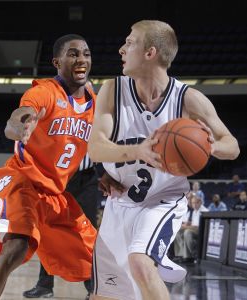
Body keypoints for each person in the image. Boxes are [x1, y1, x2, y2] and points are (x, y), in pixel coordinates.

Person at [87, 20, 240, 300]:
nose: (121, 49)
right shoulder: (112, 90)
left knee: (140, 264)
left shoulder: (188, 99)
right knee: (104, 296)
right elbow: (96, 149)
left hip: (163, 199)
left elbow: (233, 146)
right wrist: (138, 151)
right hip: (119, 205)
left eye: (130, 42)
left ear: (150, 53)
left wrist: (211, 146)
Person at [0, 34, 97, 300]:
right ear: (57, 62)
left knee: (99, 261)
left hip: (55, 195)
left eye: (86, 54)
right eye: (73, 53)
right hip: (21, 181)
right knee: (16, 247)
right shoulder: (44, 92)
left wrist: (109, 174)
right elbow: (21, 115)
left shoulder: (94, 103)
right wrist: (18, 125)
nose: (81, 59)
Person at [23, 154, 98, 299]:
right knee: (48, 231)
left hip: (86, 178)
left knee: (87, 232)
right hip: (58, 176)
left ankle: (93, 287)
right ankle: (44, 285)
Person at [174, 194, 208, 264]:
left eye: (196, 203)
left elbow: (198, 227)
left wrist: (186, 226)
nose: (194, 205)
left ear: (200, 202)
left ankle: (189, 257)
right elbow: (192, 223)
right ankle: (180, 255)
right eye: (193, 203)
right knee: (177, 231)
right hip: (194, 229)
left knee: (187, 232)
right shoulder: (194, 211)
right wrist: (187, 224)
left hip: (202, 231)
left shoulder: (204, 211)